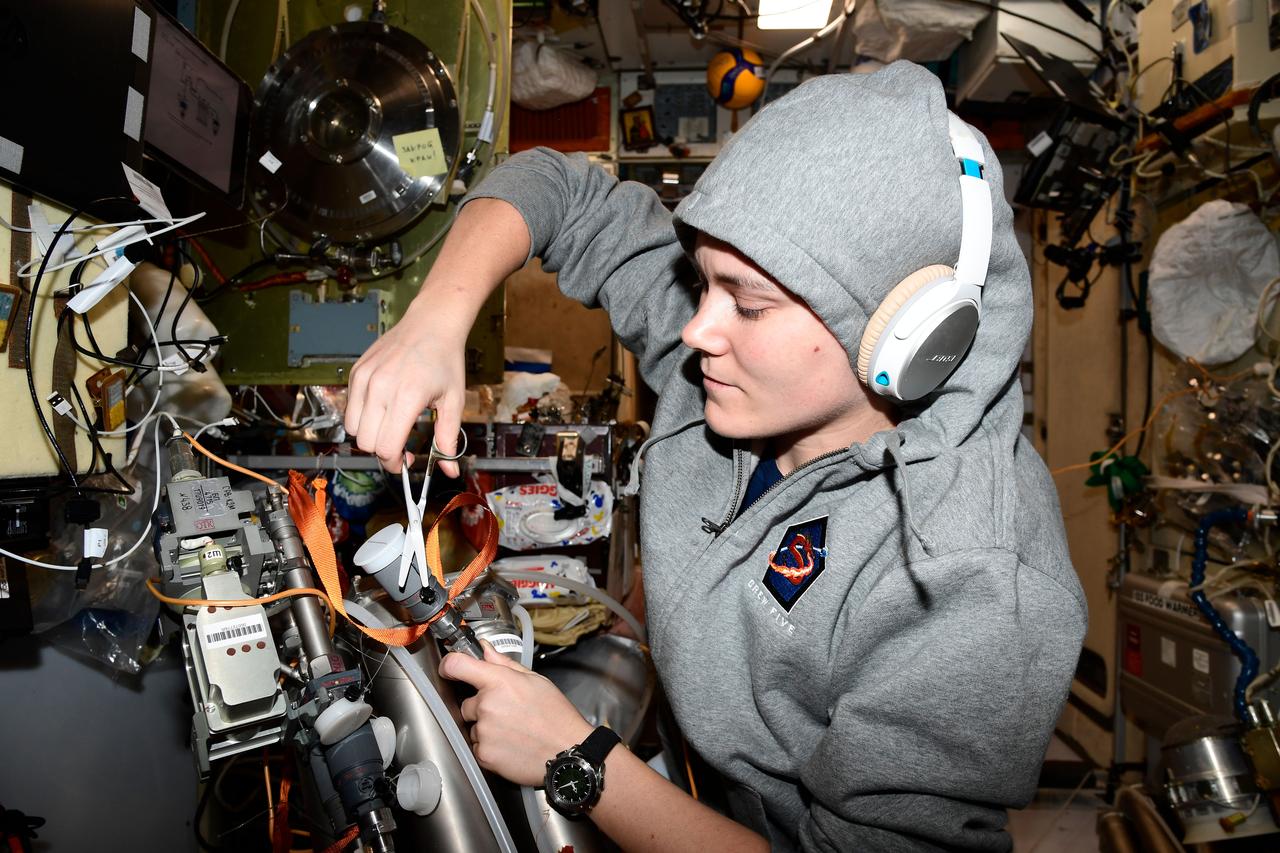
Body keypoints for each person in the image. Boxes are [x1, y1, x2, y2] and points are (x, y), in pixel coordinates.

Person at [344, 61, 1087, 852]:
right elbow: (556, 186)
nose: (697, 330)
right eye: (702, 283)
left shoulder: (971, 582)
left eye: (750, 303)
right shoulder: (733, 368)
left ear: (907, 337)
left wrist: (579, 760)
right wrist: (435, 320)